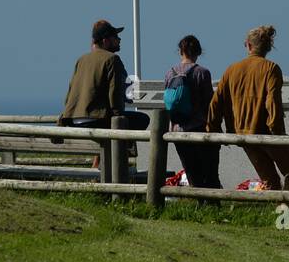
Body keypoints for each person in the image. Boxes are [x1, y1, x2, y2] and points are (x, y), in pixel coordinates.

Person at [207, 25, 289, 191]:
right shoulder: (271, 69)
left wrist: (214, 130)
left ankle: (276, 212)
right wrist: (277, 132)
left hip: (243, 135)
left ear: (249, 45)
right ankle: (287, 211)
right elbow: (273, 103)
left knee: (269, 179)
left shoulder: (231, 70)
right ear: (268, 47)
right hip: (267, 133)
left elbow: (216, 102)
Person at [59, 20, 149, 171]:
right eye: (116, 37)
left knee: (108, 124)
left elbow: (70, 94)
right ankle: (118, 162)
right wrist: (118, 118)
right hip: (95, 120)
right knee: (141, 119)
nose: (119, 40)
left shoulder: (81, 60)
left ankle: (100, 164)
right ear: (105, 40)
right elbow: (115, 96)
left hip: (75, 120)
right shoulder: (112, 60)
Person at [164, 35, 218, 188]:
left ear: (180, 51)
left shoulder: (170, 73)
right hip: (199, 128)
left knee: (191, 170)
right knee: (208, 170)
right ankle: (210, 203)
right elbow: (209, 102)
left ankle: (198, 200)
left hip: (177, 129)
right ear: (199, 52)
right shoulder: (202, 72)